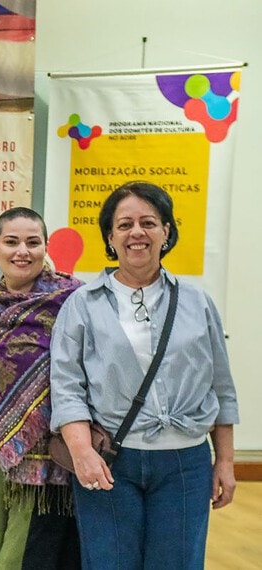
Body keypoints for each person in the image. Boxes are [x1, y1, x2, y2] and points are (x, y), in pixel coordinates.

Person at [50, 181, 238, 569]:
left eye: (149, 222)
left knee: (177, 563)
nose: (137, 232)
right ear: (110, 236)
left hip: (185, 464)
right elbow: (67, 386)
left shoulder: (197, 301)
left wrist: (225, 461)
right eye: (125, 224)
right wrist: (82, 452)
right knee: (109, 562)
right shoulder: (81, 305)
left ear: (166, 231)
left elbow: (221, 385)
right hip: (111, 461)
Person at [0, 207, 82, 569]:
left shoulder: (71, 300)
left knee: (23, 552)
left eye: (33, 243)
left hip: (50, 450)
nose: (23, 251)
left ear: (45, 246)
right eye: (11, 242)